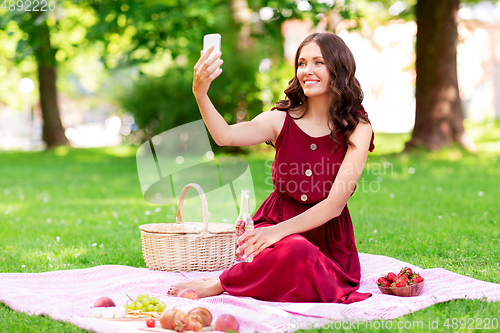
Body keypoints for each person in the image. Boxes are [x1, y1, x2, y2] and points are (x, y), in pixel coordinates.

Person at [168, 32, 374, 303]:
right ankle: (254, 275)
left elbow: (334, 205)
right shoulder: (279, 120)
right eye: (301, 63)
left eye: (318, 62)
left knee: (301, 253)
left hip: (325, 236)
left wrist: (274, 233)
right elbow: (225, 136)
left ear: (339, 68)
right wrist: (200, 93)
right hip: (274, 220)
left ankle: (221, 283)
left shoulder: (358, 128)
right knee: (292, 250)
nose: (306, 71)